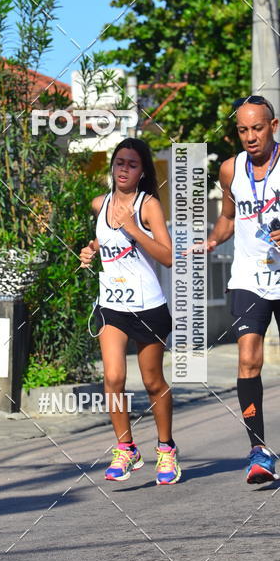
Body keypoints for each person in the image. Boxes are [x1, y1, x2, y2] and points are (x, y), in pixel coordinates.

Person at [80, 138, 180, 484]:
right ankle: (126, 449)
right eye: (119, 163)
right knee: (113, 378)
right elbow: (103, 240)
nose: (124, 169)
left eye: (132, 164)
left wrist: (132, 227)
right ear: (112, 167)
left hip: (147, 306)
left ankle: (166, 449)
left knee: (153, 381)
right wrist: (90, 250)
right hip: (112, 305)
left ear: (142, 172)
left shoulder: (147, 205)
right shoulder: (99, 203)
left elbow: (167, 256)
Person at [202, 95, 280, 484]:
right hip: (249, 278)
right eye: (243, 130)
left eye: (258, 128)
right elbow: (228, 217)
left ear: (274, 126)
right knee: (248, 359)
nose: (251, 136)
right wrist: (212, 241)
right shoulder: (231, 169)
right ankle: (259, 451)